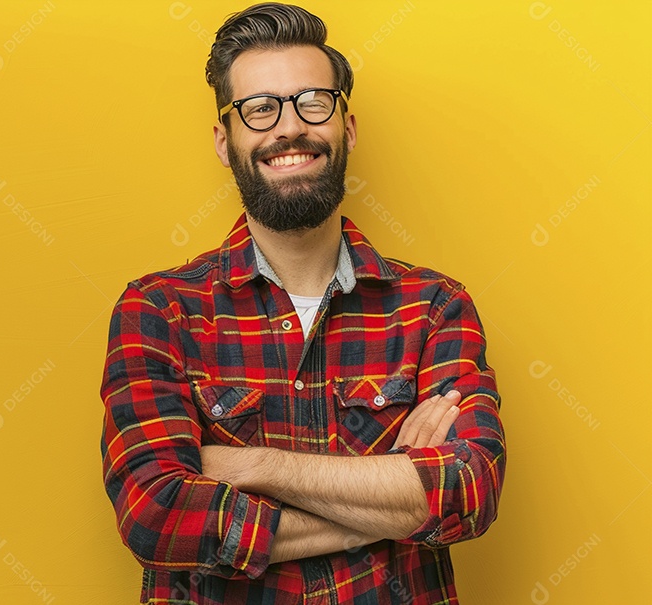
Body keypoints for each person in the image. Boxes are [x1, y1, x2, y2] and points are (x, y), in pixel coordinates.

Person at [98, 3, 506, 604]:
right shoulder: (159, 311)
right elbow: (155, 514)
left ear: (348, 126)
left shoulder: (435, 308)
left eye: (313, 101)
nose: (289, 128)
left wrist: (250, 466)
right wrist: (391, 503)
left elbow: (469, 491)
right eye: (259, 109)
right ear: (224, 140)